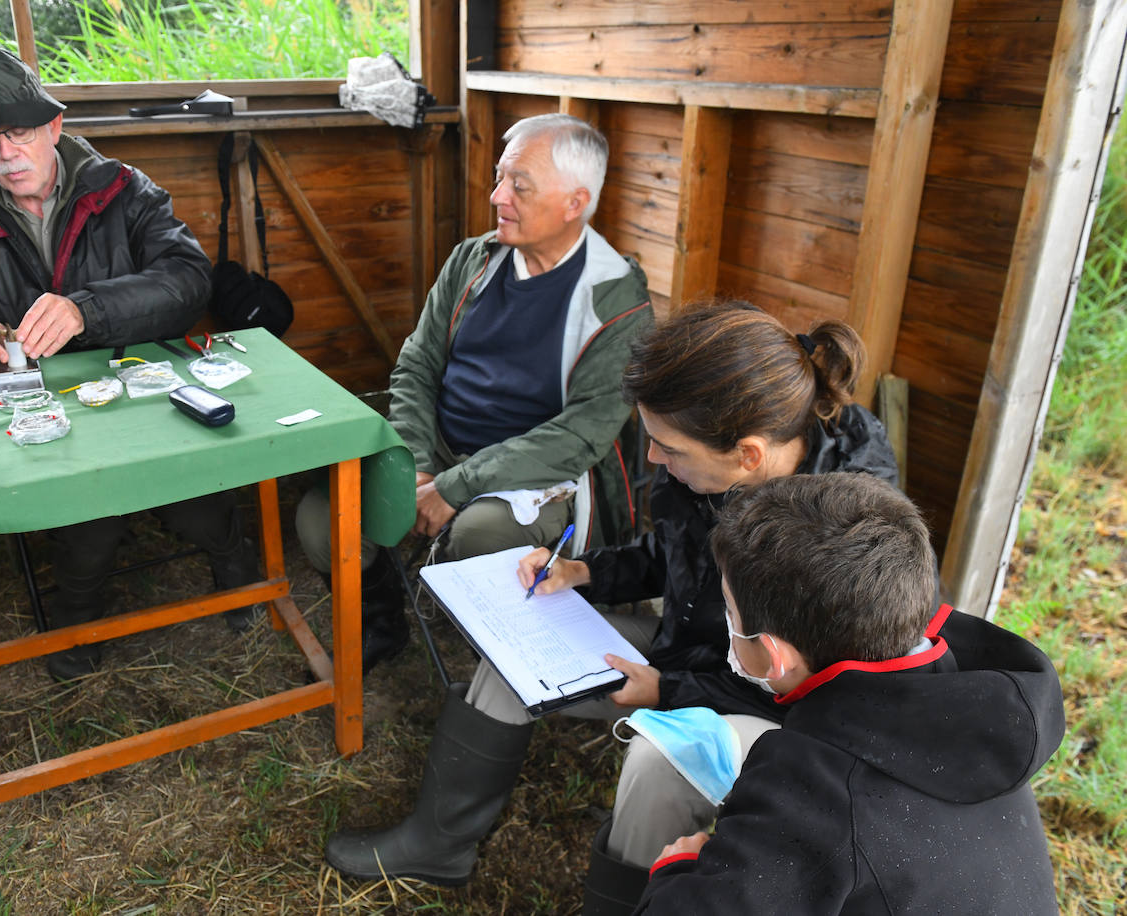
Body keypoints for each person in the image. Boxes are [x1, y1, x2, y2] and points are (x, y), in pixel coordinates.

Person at [323, 300, 898, 895]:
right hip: (685, 655)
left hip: (783, 718)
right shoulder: (721, 463)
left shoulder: (843, 536)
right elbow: (671, 556)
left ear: (747, 453)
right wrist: (583, 571)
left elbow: (814, 694)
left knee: (658, 760)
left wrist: (667, 692)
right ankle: (437, 844)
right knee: (513, 657)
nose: (652, 458)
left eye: (668, 449)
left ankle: (627, 900)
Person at [0, 43, 258, 680]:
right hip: (42, 409)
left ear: (53, 126)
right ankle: (80, 624)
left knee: (191, 497)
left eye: (19, 133)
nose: (6, 155)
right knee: (87, 520)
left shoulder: (123, 190)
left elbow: (189, 281)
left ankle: (237, 569)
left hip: (143, 384)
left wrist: (87, 310)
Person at [296, 113, 651, 675]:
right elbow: (416, 365)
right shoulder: (472, 260)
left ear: (574, 202)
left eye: (519, 185)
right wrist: (414, 466)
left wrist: (454, 487)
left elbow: (580, 435)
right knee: (324, 517)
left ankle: (509, 659)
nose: (496, 197)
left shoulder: (615, 303)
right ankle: (382, 619)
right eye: (499, 179)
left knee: (479, 534)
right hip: (439, 444)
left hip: (536, 477)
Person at [631, 472, 1063, 915]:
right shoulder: (973, 700)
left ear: (774, 655)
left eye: (729, 608)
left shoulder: (817, 788)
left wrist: (677, 867)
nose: (727, 620)